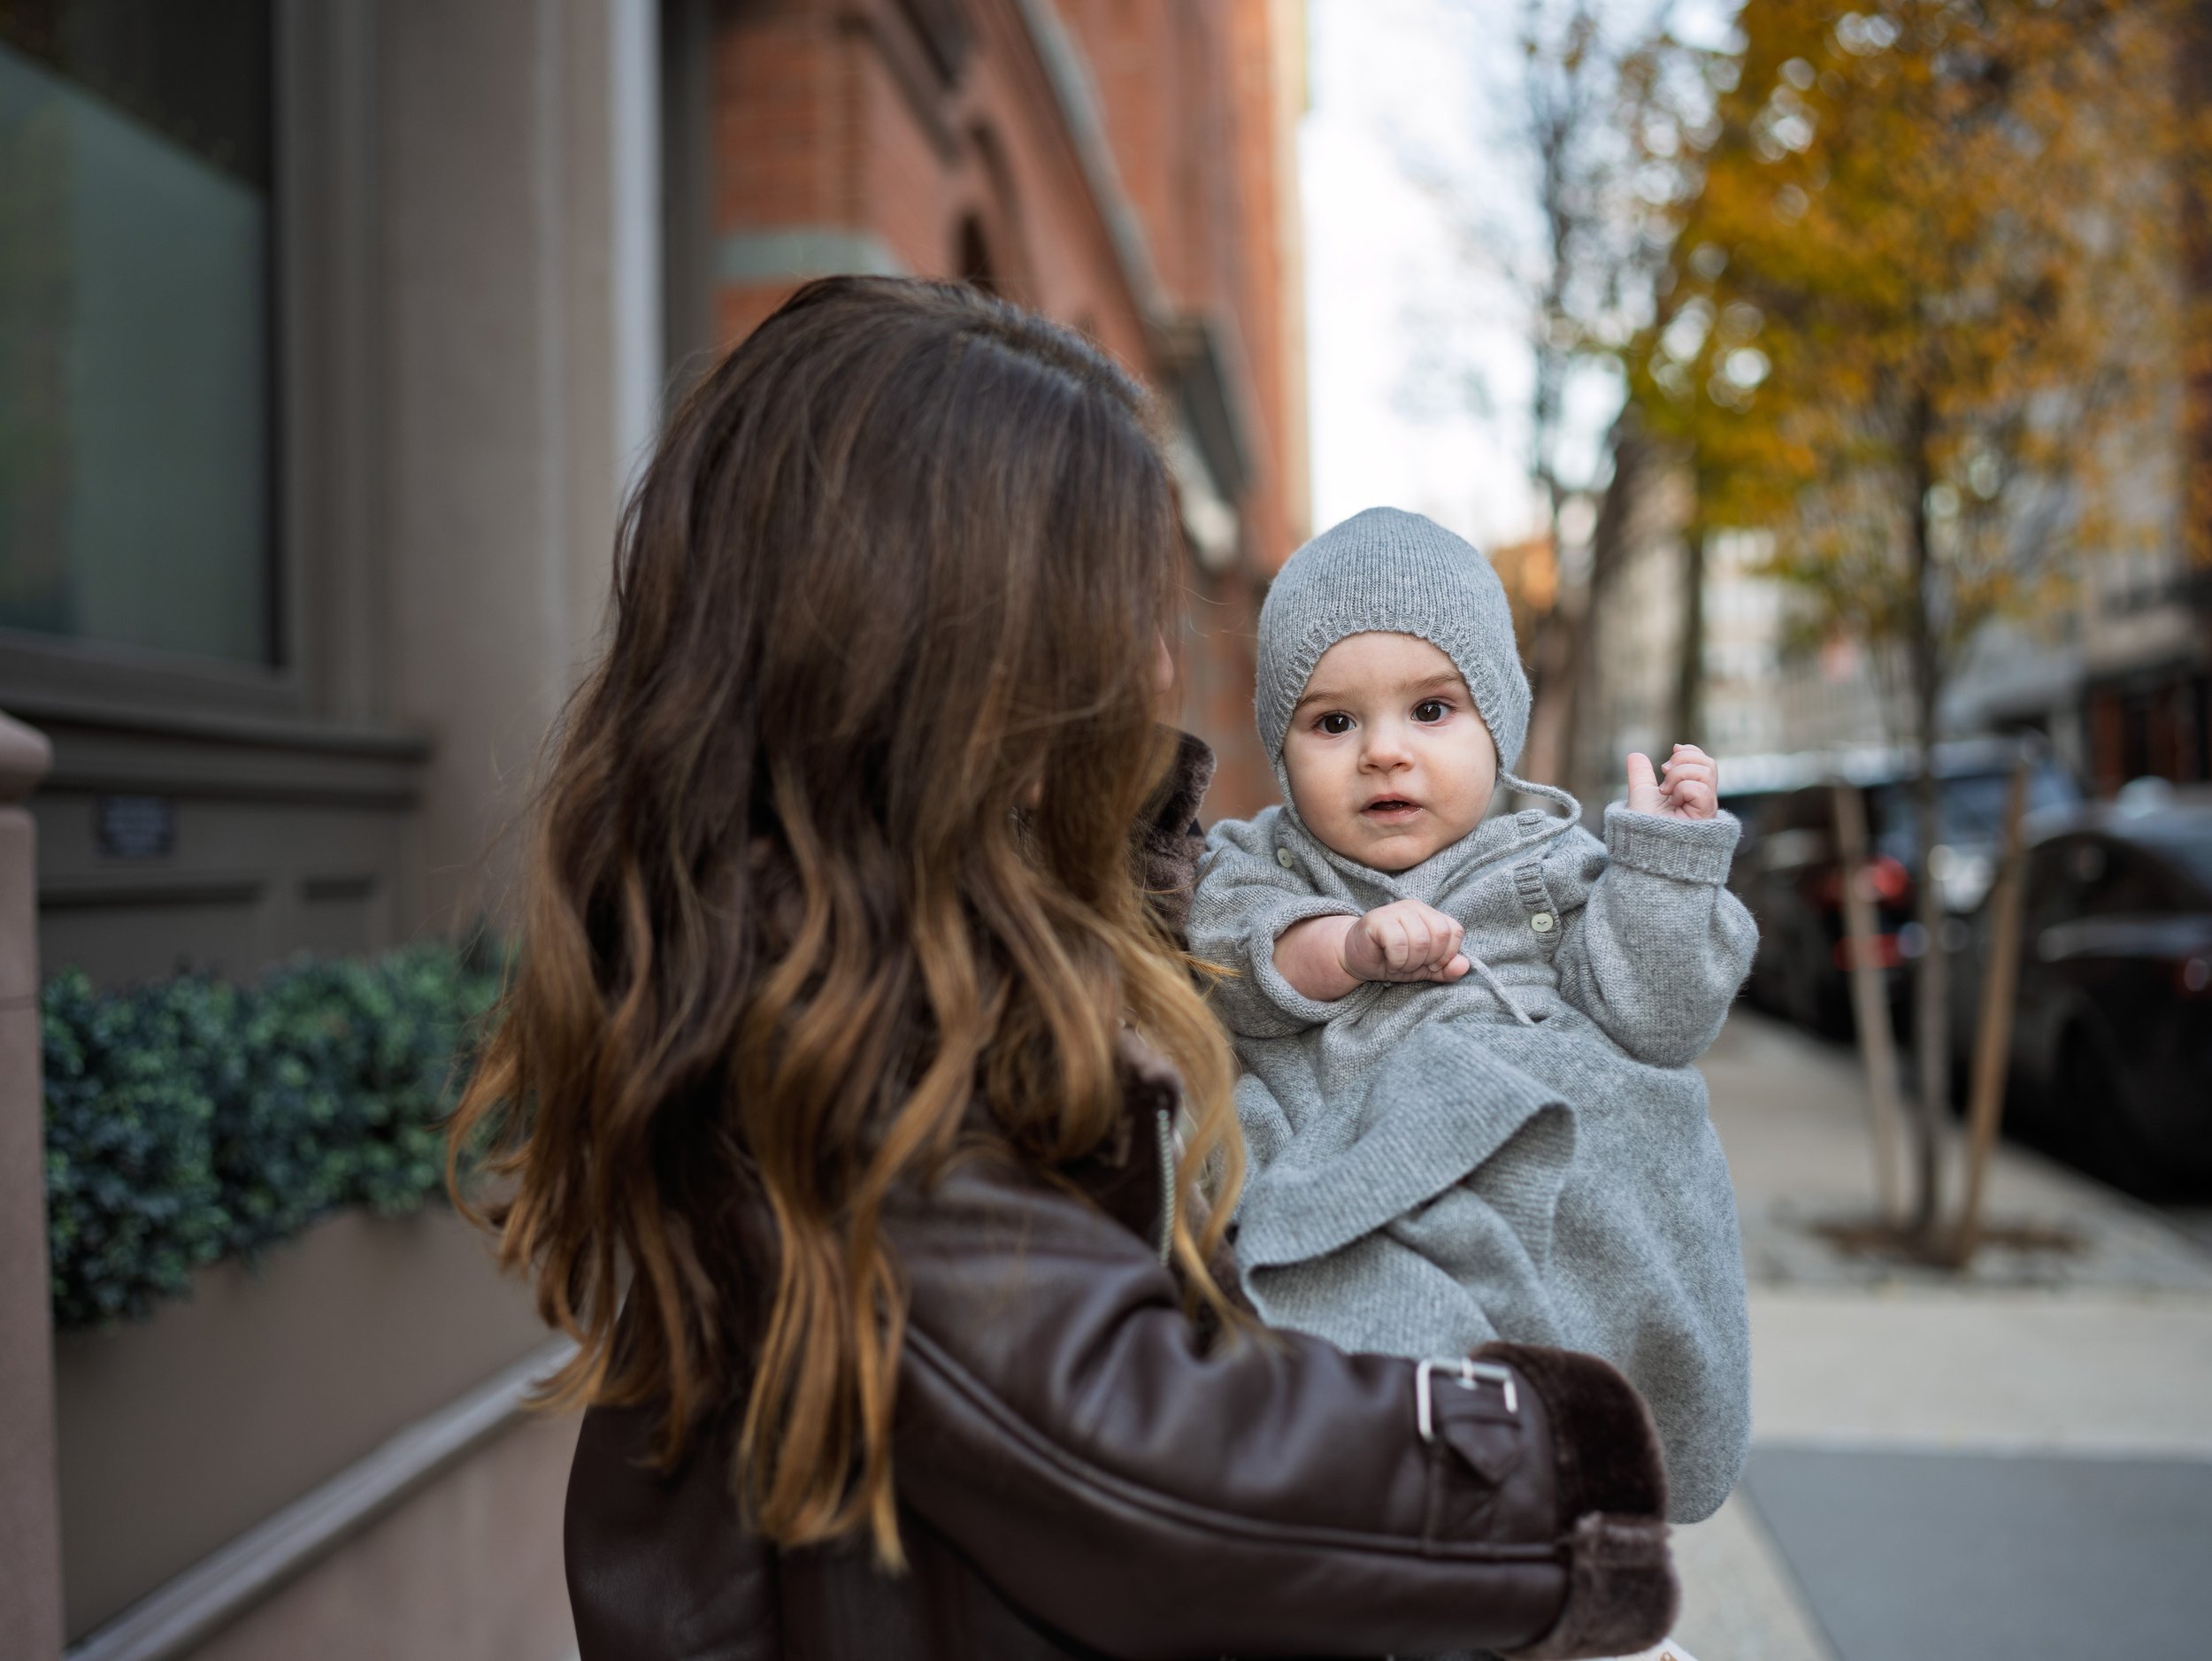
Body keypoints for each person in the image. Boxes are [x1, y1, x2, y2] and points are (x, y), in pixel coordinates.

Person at [449, 281, 1680, 1659]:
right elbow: (1140, 1456)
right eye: (1112, 617)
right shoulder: (836, 1021)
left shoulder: (917, 942)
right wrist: (1559, 1464)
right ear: (945, 650)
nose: (1156, 669)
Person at [1188, 508, 1756, 1527]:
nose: (1384, 753)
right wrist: (1347, 948)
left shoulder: (1554, 868)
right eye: (1333, 723)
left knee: (1634, 1114)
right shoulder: (1261, 861)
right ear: (1280, 746)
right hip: (1357, 1194)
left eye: (1431, 709)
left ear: (1498, 720)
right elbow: (1234, 957)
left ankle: (1573, 1437)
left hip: (1531, 1209)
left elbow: (1656, 1024)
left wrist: (1666, 868)